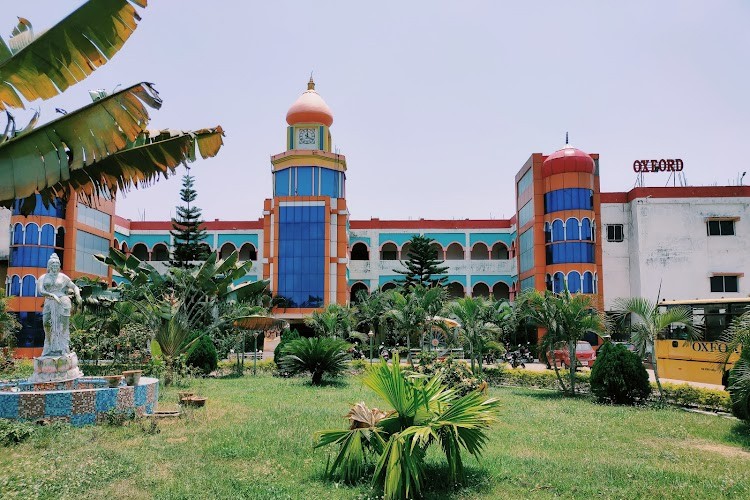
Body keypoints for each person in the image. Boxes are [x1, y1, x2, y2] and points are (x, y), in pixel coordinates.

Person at [36, 253, 81, 357]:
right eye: (53, 265)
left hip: (63, 301)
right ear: (50, 266)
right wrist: (52, 295)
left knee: (63, 325)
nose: (55, 267)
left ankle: (64, 346)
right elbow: (41, 291)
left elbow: (74, 287)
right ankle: (48, 346)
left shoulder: (63, 277)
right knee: (46, 323)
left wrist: (78, 295)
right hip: (49, 301)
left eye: (57, 265)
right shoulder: (43, 277)